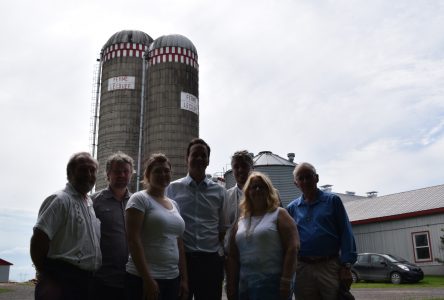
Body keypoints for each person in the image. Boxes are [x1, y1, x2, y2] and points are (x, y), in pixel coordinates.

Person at [30, 152, 102, 300]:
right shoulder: (60, 200)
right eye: (83, 170)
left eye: (92, 170)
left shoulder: (88, 203)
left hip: (85, 282)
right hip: (61, 280)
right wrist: (46, 276)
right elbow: (39, 239)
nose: (88, 174)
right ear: (69, 173)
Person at [166, 138, 228, 300]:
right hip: (182, 261)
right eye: (195, 155)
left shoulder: (220, 192)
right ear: (187, 158)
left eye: (203, 155)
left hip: (211, 262)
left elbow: (222, 228)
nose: (199, 158)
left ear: (208, 160)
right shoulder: (172, 189)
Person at [286, 162, 357, 300]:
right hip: (302, 268)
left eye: (308, 177)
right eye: (301, 178)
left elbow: (346, 232)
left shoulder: (332, 201)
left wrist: (347, 266)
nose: (305, 181)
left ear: (316, 178)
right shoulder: (292, 208)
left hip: (329, 266)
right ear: (296, 183)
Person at [226, 172, 299, 300]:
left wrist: (286, 280)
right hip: (246, 287)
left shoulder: (279, 214)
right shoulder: (241, 221)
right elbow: (232, 255)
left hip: (273, 285)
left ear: (269, 191)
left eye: (262, 186)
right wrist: (231, 284)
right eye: (253, 187)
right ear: (248, 192)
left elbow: (293, 247)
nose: (257, 189)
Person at [125, 153, 188, 300]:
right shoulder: (139, 199)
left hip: (172, 278)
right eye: (158, 171)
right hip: (143, 278)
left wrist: (184, 279)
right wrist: (147, 279)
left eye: (166, 171)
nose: (163, 174)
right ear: (147, 174)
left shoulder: (174, 204)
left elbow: (179, 244)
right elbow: (133, 240)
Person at [91, 152, 134, 300]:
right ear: (108, 174)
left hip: (132, 278)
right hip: (103, 279)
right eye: (117, 171)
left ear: (131, 174)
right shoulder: (94, 202)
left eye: (125, 171)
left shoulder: (138, 202)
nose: (121, 175)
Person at [224, 150, 254, 252]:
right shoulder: (226, 197)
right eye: (236, 167)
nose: (240, 170)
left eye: (244, 166)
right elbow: (222, 228)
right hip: (232, 255)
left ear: (252, 168)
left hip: (259, 253)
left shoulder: (269, 194)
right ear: (232, 171)